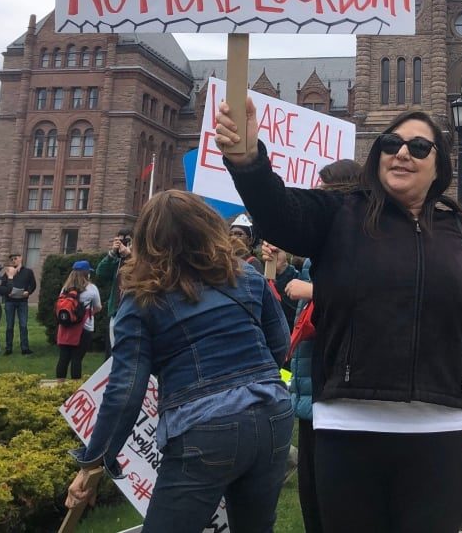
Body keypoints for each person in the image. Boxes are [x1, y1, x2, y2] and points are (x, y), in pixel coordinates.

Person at [216, 100, 462, 533]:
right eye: (390, 142)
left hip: (443, 434)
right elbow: (278, 211)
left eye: (418, 146)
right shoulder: (339, 214)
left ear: (440, 167)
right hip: (347, 430)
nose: (401, 152)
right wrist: (248, 158)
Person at [65, 190, 293, 531]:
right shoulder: (247, 277)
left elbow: (126, 390)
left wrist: (95, 460)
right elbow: (281, 346)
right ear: (209, 227)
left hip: (204, 427)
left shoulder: (142, 300)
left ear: (147, 239)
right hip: (274, 415)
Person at [288, 158, 362, 533]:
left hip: (338, 394)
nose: (313, 200)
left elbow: (371, 295)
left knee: (336, 508)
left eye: (320, 192)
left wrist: (315, 290)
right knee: (312, 500)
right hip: (309, 393)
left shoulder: (362, 241)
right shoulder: (318, 246)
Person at [55, 260, 103, 381]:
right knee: (77, 359)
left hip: (65, 327)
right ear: (86, 273)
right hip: (84, 328)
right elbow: (98, 307)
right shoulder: (91, 289)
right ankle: (75, 388)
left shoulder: (65, 288)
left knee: (63, 358)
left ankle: (59, 386)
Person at [95, 230, 133, 350]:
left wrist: (130, 256)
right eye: (120, 241)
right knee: (114, 349)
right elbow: (100, 273)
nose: (123, 244)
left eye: (127, 241)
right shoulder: (117, 262)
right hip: (116, 311)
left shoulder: (139, 260)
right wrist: (112, 253)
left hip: (132, 311)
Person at [3, 253, 36, 356]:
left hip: (22, 301)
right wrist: (7, 291)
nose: (13, 261)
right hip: (10, 301)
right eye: (12, 259)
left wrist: (28, 292)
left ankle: (25, 348)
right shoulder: (7, 272)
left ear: (20, 259)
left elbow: (33, 284)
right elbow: (3, 284)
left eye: (15, 258)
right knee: (9, 325)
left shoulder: (28, 272)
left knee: (23, 325)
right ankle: (8, 348)